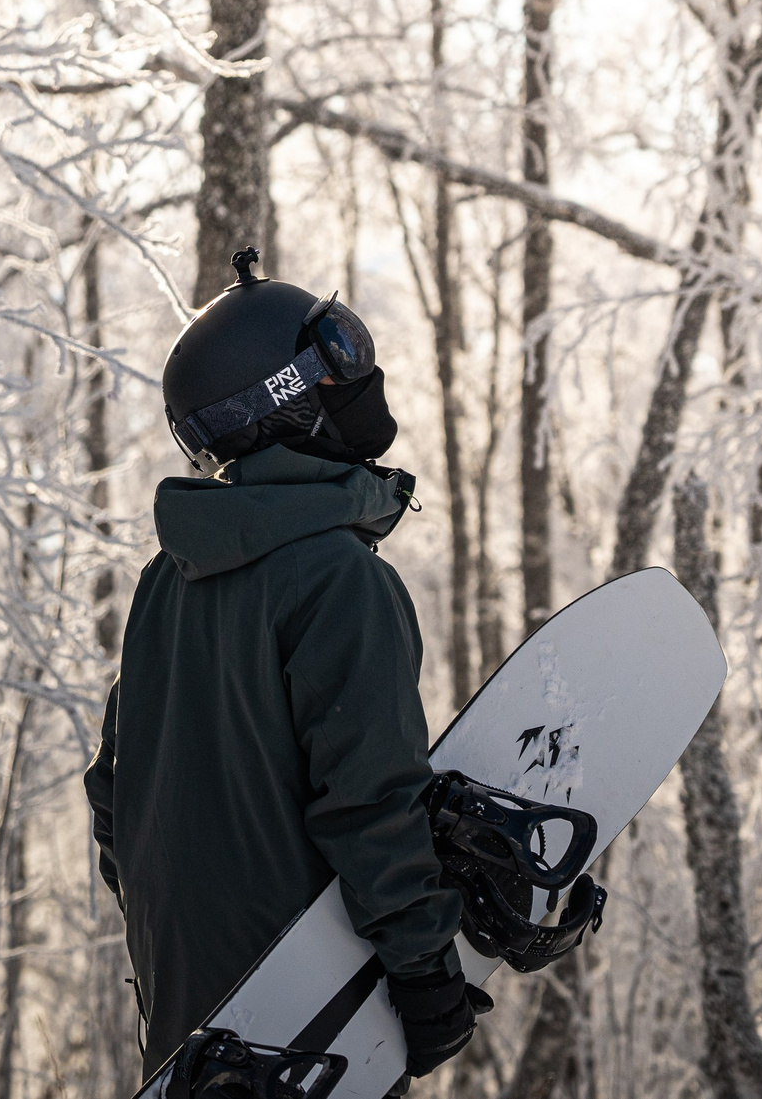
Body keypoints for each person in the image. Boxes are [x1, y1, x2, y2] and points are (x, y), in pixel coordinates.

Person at [83, 248, 489, 1087]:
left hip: (189, 1031)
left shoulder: (167, 582)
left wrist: (183, 952)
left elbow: (113, 797)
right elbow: (369, 794)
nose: (363, 373)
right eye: (339, 353)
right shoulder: (342, 581)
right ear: (285, 402)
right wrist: (420, 965)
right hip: (305, 1033)